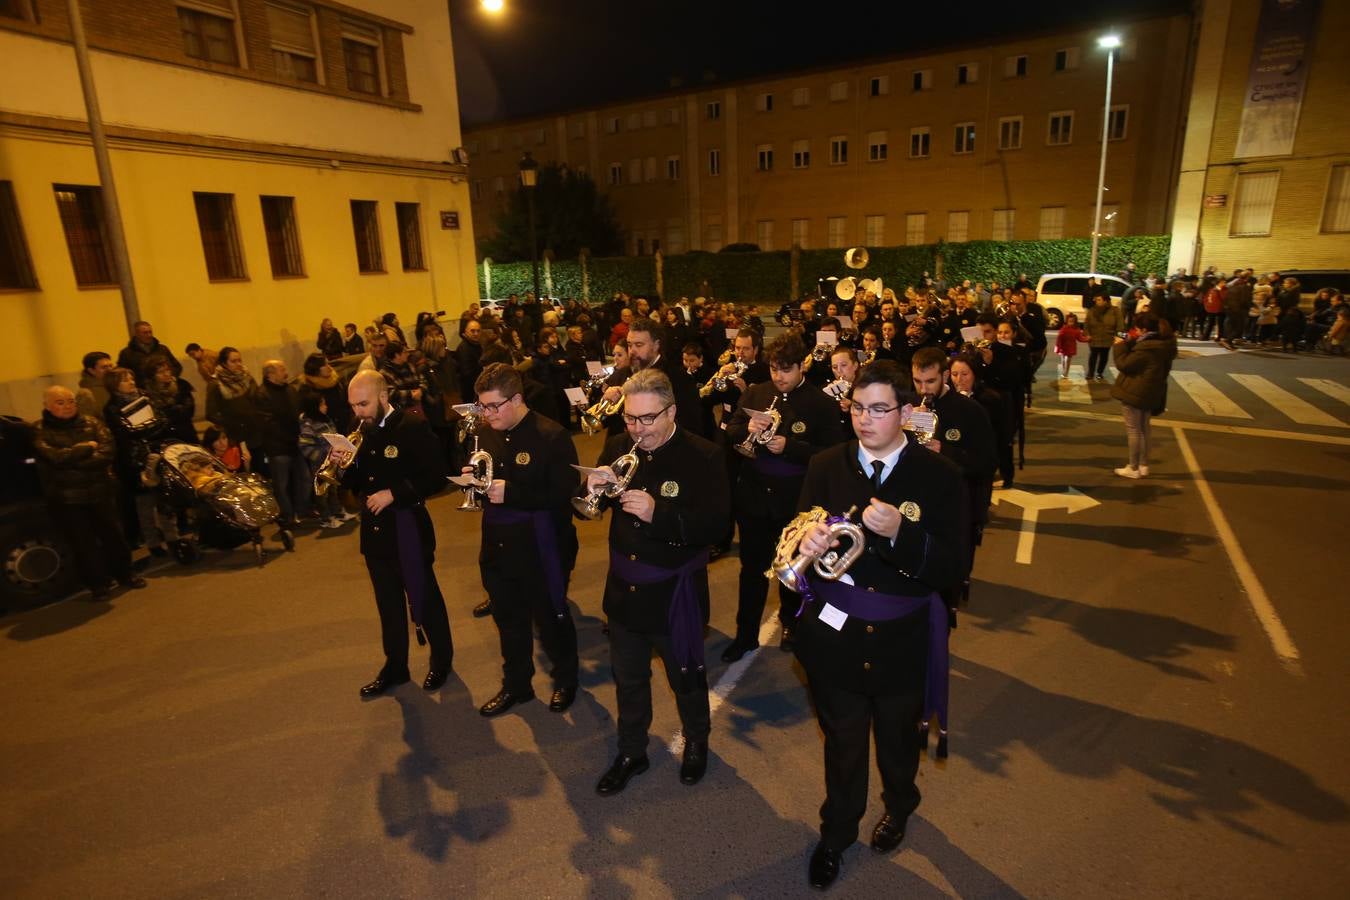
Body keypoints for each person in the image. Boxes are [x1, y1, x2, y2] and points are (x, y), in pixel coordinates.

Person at [789, 361, 967, 890]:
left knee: (896, 740)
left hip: (902, 639)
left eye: (880, 409)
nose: (865, 420)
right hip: (835, 637)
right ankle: (836, 833)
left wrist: (901, 535)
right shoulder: (825, 464)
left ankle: (899, 806)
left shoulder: (940, 475)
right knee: (841, 743)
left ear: (907, 413)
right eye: (858, 408)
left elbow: (953, 569)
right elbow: (800, 528)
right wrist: (808, 544)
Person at [584, 368, 729, 796]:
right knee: (628, 678)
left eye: (648, 419)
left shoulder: (703, 456)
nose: (637, 429)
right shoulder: (617, 445)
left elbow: (716, 527)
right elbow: (587, 508)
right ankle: (632, 751)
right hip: (625, 591)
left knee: (686, 675)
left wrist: (657, 513)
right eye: (630, 418)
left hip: (673, 594)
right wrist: (589, 488)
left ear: (672, 412)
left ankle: (697, 741)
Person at [468, 364, 581, 717]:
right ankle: (517, 684)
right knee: (508, 620)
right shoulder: (486, 434)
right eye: (482, 407)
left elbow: (566, 493)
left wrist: (513, 492)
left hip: (541, 545)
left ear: (517, 399)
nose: (487, 415)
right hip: (498, 543)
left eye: (494, 406)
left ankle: (566, 680)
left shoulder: (552, 435)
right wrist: (473, 478)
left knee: (552, 619)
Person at [332, 370, 454, 698]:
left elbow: (436, 476)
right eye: (353, 405)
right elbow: (355, 482)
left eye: (363, 403)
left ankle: (442, 660)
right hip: (374, 532)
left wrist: (395, 493)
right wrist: (342, 467)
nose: (357, 412)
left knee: (424, 596)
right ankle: (395, 666)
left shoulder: (412, 426)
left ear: (383, 397)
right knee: (387, 604)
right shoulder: (358, 429)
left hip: (408, 526)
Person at [723, 333, 843, 660]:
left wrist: (790, 447)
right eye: (775, 369)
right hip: (754, 497)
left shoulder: (820, 403)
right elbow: (730, 430)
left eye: (786, 370)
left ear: (802, 365)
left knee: (794, 567)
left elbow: (833, 453)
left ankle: (793, 625)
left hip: (796, 502)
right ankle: (745, 634)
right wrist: (746, 430)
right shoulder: (756, 392)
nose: (779, 377)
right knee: (752, 569)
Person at [32, 386, 145, 600]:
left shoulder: (92, 423)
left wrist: (74, 460)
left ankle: (125, 573)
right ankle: (98, 584)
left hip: (100, 491)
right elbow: (53, 457)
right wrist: (85, 448)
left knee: (113, 536)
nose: (67, 406)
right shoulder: (40, 429)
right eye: (60, 402)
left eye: (71, 401)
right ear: (47, 405)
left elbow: (106, 452)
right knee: (83, 544)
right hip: (67, 497)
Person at [910, 348, 997, 614]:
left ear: (945, 376)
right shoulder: (907, 407)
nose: (923, 389)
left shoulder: (969, 410)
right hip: (917, 499)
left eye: (930, 381)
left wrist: (945, 450)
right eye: (917, 381)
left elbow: (985, 462)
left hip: (957, 501)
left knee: (951, 565)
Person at [1110, 311, 1177, 480]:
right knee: (1145, 428)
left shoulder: (1147, 348)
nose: (1136, 332)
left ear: (1145, 329)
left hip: (1136, 390)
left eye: (1138, 329)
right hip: (1152, 390)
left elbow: (1124, 364)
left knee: (1134, 430)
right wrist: (1131, 342)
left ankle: (1133, 467)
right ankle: (1143, 464)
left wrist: (1119, 346)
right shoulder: (1162, 343)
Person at [254, 360, 313, 525]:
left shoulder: (290, 390)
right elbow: (268, 424)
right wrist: (290, 437)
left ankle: (302, 511)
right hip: (278, 448)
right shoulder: (262, 394)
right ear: (270, 374)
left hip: (296, 444)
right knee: (282, 485)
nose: (286, 372)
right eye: (282, 369)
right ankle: (287, 517)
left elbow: (300, 413)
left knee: (305, 479)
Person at [298, 391, 353, 529]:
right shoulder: (308, 424)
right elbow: (305, 446)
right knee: (322, 492)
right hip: (320, 463)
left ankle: (338, 512)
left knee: (333, 488)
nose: (325, 406)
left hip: (332, 460)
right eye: (322, 404)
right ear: (314, 406)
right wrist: (323, 456)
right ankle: (326, 518)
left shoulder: (325, 418)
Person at [117, 320, 182, 385]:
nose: (149, 335)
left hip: (166, 387)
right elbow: (123, 374)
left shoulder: (162, 349)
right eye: (145, 333)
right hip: (142, 389)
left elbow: (177, 366)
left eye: (150, 332)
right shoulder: (126, 353)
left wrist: (171, 376)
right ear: (136, 334)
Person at [1084, 294, 1124, 381]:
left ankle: (1099, 373)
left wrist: (1119, 337)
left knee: (1104, 356)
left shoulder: (1115, 311)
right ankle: (1090, 373)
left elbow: (1120, 325)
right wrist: (1087, 334)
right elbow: (1086, 324)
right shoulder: (1092, 310)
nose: (1096, 301)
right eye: (1096, 300)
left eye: (1099, 300)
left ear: (1105, 301)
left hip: (1108, 338)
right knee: (1093, 355)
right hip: (1094, 337)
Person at [76, 351, 114, 418]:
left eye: (110, 366)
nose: (110, 370)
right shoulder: (86, 394)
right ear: (91, 371)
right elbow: (86, 420)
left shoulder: (114, 384)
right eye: (104, 367)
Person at [1054, 313, 1089, 379]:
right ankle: (1064, 371)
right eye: (1069, 321)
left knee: (1067, 359)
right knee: (1063, 359)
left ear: (1075, 322)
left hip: (1070, 347)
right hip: (1063, 347)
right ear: (1067, 321)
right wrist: (1058, 347)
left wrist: (1087, 339)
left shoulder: (1076, 330)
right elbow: (1059, 339)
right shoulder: (1064, 329)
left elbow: (1080, 338)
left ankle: (1066, 372)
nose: (1071, 323)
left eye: (1072, 321)